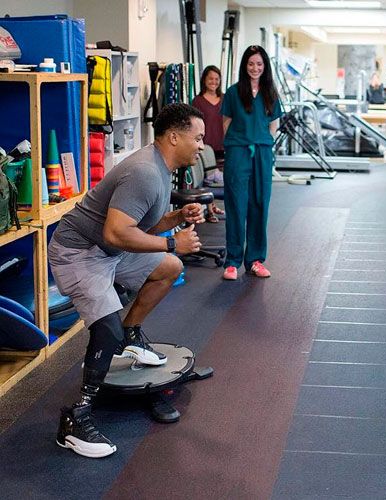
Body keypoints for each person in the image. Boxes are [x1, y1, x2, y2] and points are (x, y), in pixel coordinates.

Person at [49, 103, 206, 458]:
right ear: (174, 136)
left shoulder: (162, 170)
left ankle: (131, 332)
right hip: (79, 254)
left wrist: (176, 218)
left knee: (168, 267)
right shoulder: (145, 173)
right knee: (107, 329)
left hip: (108, 249)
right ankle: (76, 417)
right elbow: (118, 232)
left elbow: (139, 229)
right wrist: (172, 242)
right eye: (197, 138)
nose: (200, 146)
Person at [221, 45, 282, 281]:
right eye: (250, 64)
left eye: (259, 64)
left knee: (259, 204)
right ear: (244, 66)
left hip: (263, 153)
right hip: (238, 151)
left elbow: (273, 126)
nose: (255, 68)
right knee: (236, 205)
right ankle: (233, 262)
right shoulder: (234, 92)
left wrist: (262, 141)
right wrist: (237, 143)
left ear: (264, 66)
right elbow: (226, 123)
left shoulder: (270, 93)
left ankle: (255, 260)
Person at [191, 65, 226, 223]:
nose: (213, 82)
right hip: (205, 146)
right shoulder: (197, 101)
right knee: (207, 178)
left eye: (216, 79)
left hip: (223, 145)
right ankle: (210, 210)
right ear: (204, 80)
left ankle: (214, 207)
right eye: (210, 78)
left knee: (220, 178)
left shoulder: (225, 99)